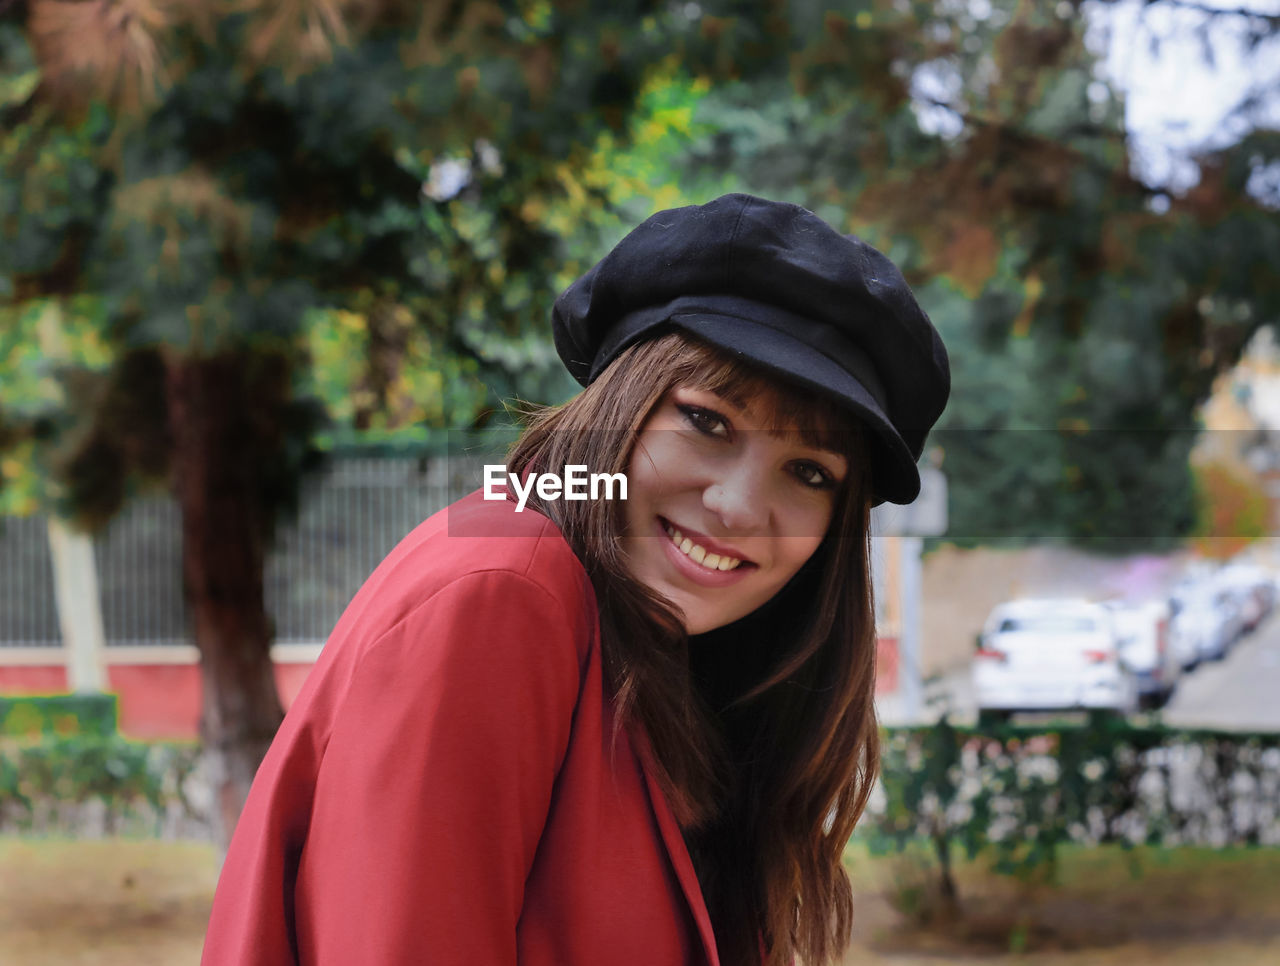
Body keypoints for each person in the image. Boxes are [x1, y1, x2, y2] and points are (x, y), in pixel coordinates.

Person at [201, 193, 950, 966]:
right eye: (706, 421)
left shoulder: (664, 655)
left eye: (809, 472)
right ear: (619, 404)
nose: (738, 508)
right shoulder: (504, 588)